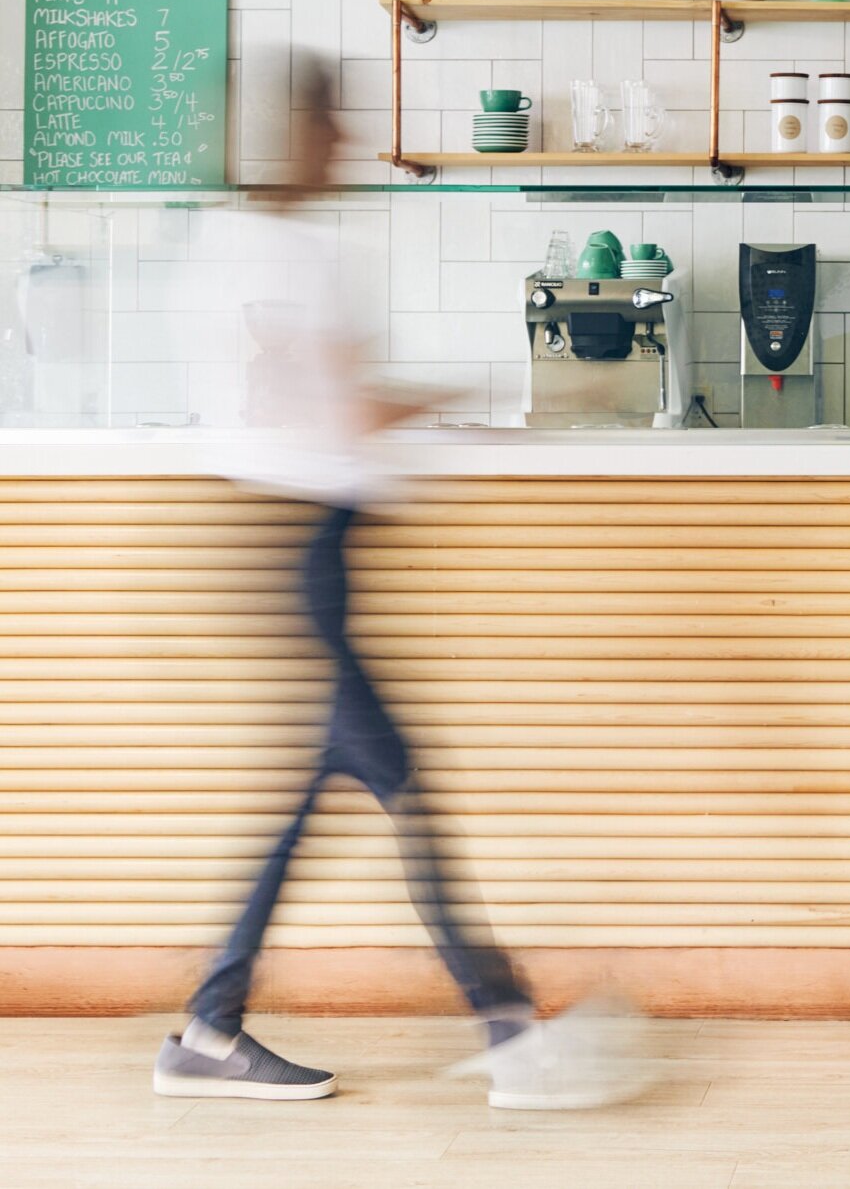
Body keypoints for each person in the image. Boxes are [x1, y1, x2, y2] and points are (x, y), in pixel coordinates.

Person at [153, 90, 643, 1108]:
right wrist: (487, 393)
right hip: (308, 551)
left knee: (337, 793)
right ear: (291, 139)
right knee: (400, 784)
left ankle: (211, 1026)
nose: (345, 148)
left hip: (280, 545)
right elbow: (345, 402)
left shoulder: (221, 244)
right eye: (329, 127)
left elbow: (300, 404)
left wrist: (420, 437)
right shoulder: (292, 254)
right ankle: (506, 1028)